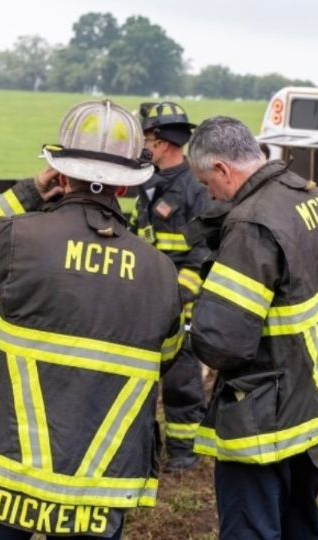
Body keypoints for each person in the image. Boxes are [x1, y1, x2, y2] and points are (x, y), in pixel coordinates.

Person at [0, 100, 184, 540]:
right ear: (125, 188)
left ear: (62, 174)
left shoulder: (20, 241)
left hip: (9, 468)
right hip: (102, 481)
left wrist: (29, 193)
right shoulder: (161, 272)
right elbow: (167, 353)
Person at [187, 117, 318, 539]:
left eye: (204, 182)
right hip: (314, 403)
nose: (208, 194)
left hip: (266, 411)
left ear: (221, 170)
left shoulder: (252, 224)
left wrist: (191, 326)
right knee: (298, 517)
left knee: (250, 526)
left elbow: (223, 342)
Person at [131, 101, 212, 472]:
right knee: (140, 380)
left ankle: (183, 453)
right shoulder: (145, 183)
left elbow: (204, 251)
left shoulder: (195, 188)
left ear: (162, 143)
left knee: (182, 383)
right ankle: (146, 449)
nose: (143, 145)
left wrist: (179, 295)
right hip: (145, 302)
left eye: (147, 138)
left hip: (182, 306)